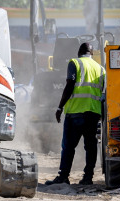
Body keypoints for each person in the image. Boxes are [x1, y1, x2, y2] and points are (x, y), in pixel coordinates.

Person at [45, 42, 106, 186]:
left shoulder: (75, 63)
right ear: (92, 53)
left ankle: (63, 176)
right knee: (90, 146)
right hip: (93, 113)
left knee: (68, 147)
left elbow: (70, 84)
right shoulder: (101, 69)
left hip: (75, 113)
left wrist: (60, 107)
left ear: (79, 52)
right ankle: (88, 178)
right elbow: (104, 92)